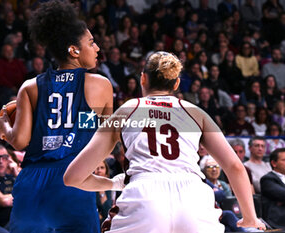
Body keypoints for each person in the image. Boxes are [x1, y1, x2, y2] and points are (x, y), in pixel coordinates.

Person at [64, 51, 265, 232]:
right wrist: (250, 218)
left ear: (142, 79)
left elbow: (72, 177)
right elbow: (235, 167)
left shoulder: (126, 111)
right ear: (176, 84)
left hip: (143, 195)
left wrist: (113, 183)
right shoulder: (196, 112)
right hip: (193, 197)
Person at [0, 1, 113, 232]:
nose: (97, 48)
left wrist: (3, 127)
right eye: (91, 42)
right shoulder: (101, 85)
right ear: (74, 50)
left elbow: (19, 142)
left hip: (33, 179)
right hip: (74, 176)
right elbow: (105, 137)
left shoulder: (29, 87)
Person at [260, 148, 285, 229]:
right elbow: (283, 194)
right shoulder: (267, 179)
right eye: (284, 160)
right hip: (278, 222)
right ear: (274, 163)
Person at [94, 160, 114, 225]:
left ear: (106, 172)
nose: (99, 170)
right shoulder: (88, 191)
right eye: (96, 168)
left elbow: (107, 213)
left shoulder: (111, 189)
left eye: (102, 168)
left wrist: (101, 190)